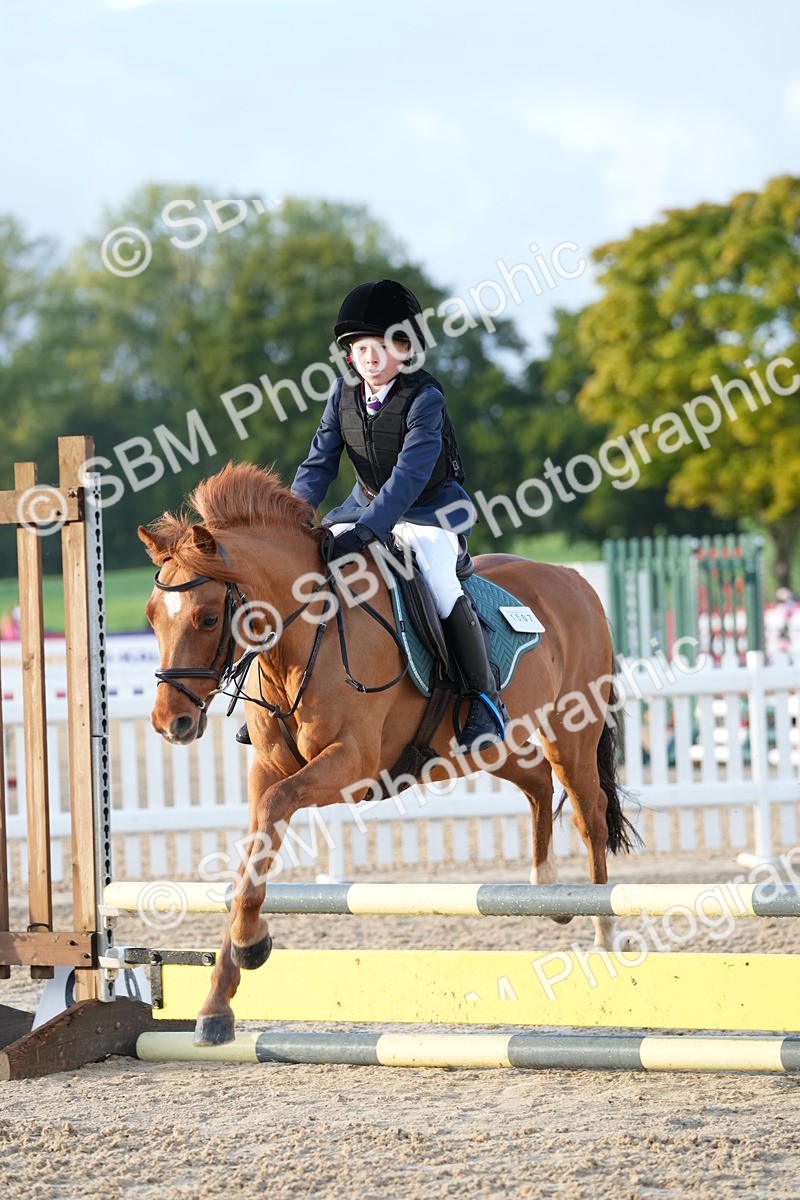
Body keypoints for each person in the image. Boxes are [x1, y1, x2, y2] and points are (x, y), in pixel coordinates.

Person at [238, 279, 509, 753]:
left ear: (405, 350)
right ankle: (276, 695)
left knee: (440, 582)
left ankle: (483, 701)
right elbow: (318, 464)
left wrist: (365, 532)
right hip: (363, 505)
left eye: (382, 345)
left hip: (429, 515)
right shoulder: (342, 396)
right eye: (360, 347)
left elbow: (408, 477)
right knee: (304, 564)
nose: (369, 356)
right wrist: (294, 520)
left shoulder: (425, 398)